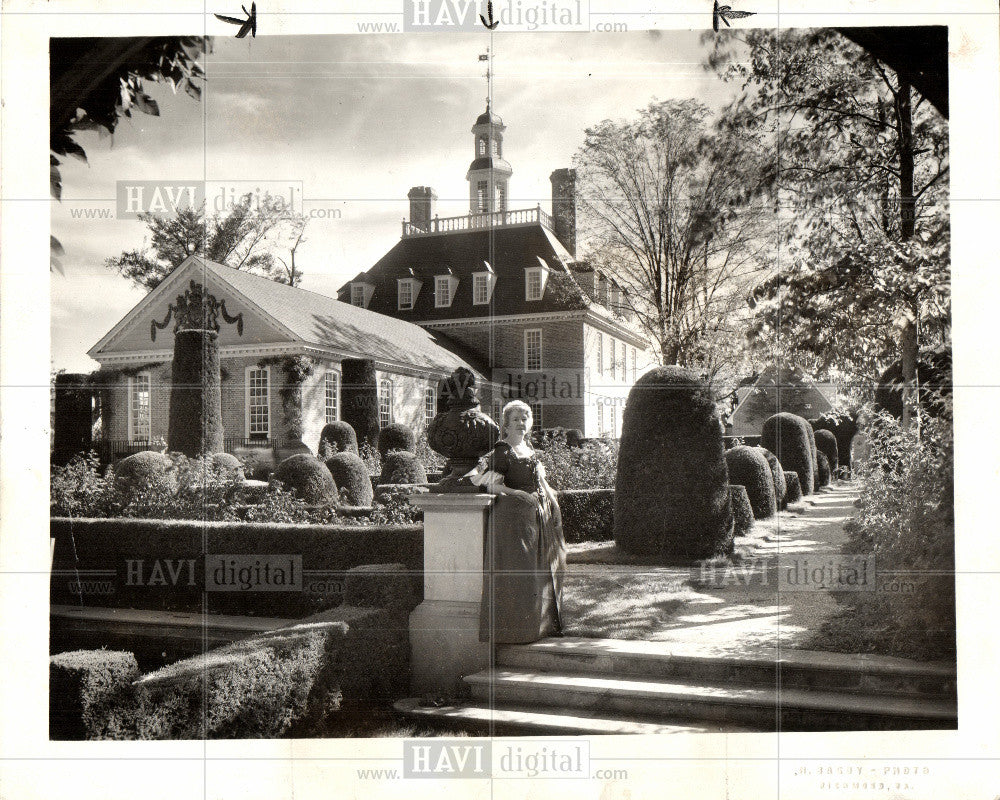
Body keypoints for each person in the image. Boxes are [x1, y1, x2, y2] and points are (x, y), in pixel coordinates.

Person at [470, 400, 566, 643]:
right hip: (512, 520)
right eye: (516, 419)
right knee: (519, 574)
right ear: (506, 423)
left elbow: (541, 482)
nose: (522, 423)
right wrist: (518, 494)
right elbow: (491, 484)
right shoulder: (503, 451)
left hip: (535, 517)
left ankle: (539, 626)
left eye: (525, 418)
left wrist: (553, 502)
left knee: (539, 571)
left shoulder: (528, 448)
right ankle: (516, 632)